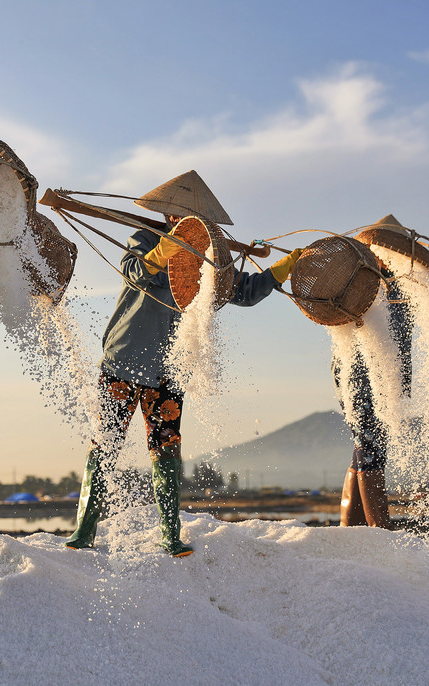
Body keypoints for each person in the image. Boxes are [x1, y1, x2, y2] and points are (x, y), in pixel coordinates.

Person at [65, 170, 302, 556]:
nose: (182, 221)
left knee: (166, 449)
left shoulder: (212, 259)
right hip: (123, 361)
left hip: (169, 371)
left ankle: (170, 536)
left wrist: (281, 268)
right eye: (177, 216)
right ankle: (84, 531)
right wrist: (167, 248)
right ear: (170, 216)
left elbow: (243, 293)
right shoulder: (142, 239)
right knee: (106, 444)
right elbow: (136, 271)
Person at [335, 215, 429, 528]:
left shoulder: (402, 287)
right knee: (370, 448)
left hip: (372, 379)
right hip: (361, 377)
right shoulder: (364, 284)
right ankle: (380, 534)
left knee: (364, 446)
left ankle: (349, 530)